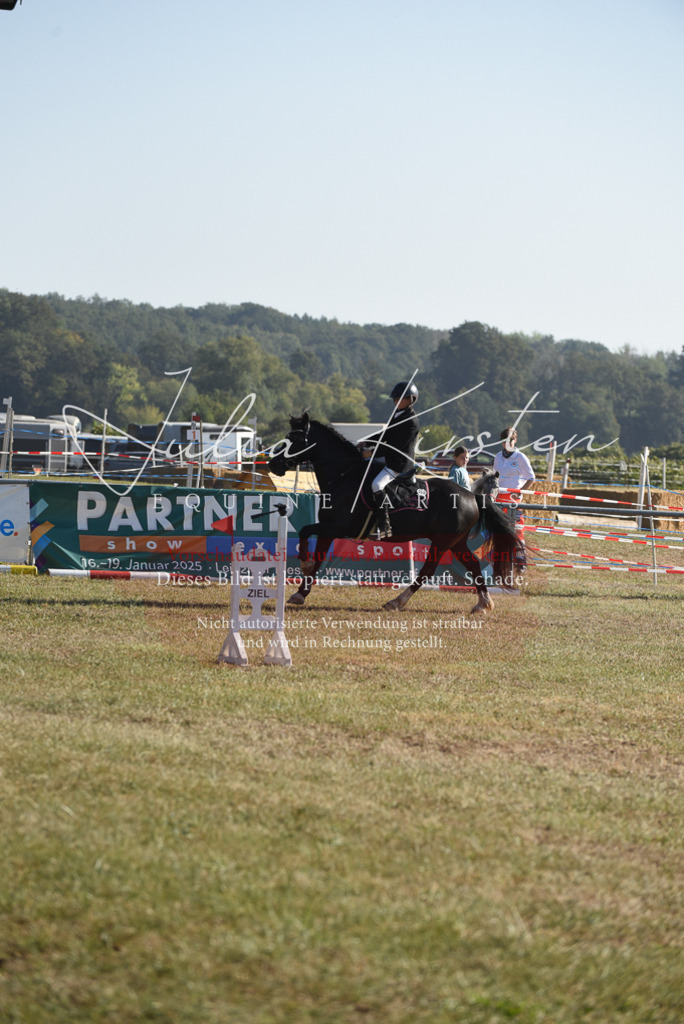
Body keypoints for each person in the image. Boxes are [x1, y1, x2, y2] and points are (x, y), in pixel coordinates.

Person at [364, 381, 419, 539]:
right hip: (390, 457)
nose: (395, 402)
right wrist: (366, 441)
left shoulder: (411, 422)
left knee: (376, 484)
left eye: (398, 399)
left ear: (410, 400)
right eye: (394, 399)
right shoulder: (398, 415)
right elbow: (385, 435)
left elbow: (394, 446)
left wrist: (371, 453)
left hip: (399, 463)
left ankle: (385, 525)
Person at [492, 427, 535, 492]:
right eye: (504, 440)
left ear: (515, 440)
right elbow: (494, 477)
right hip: (497, 495)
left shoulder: (521, 457)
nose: (506, 443)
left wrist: (519, 493)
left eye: (509, 440)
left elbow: (531, 479)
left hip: (512, 497)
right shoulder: (498, 456)